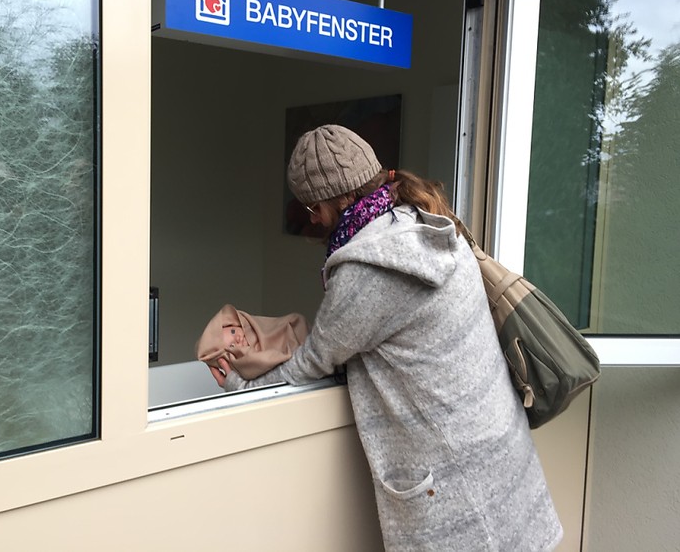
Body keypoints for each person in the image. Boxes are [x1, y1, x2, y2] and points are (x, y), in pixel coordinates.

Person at [208, 125, 563, 551]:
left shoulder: (370, 268)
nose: (312, 219)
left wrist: (236, 386)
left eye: (312, 206)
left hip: (458, 492)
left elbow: (311, 363)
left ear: (340, 198)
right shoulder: (425, 224)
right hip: (499, 456)